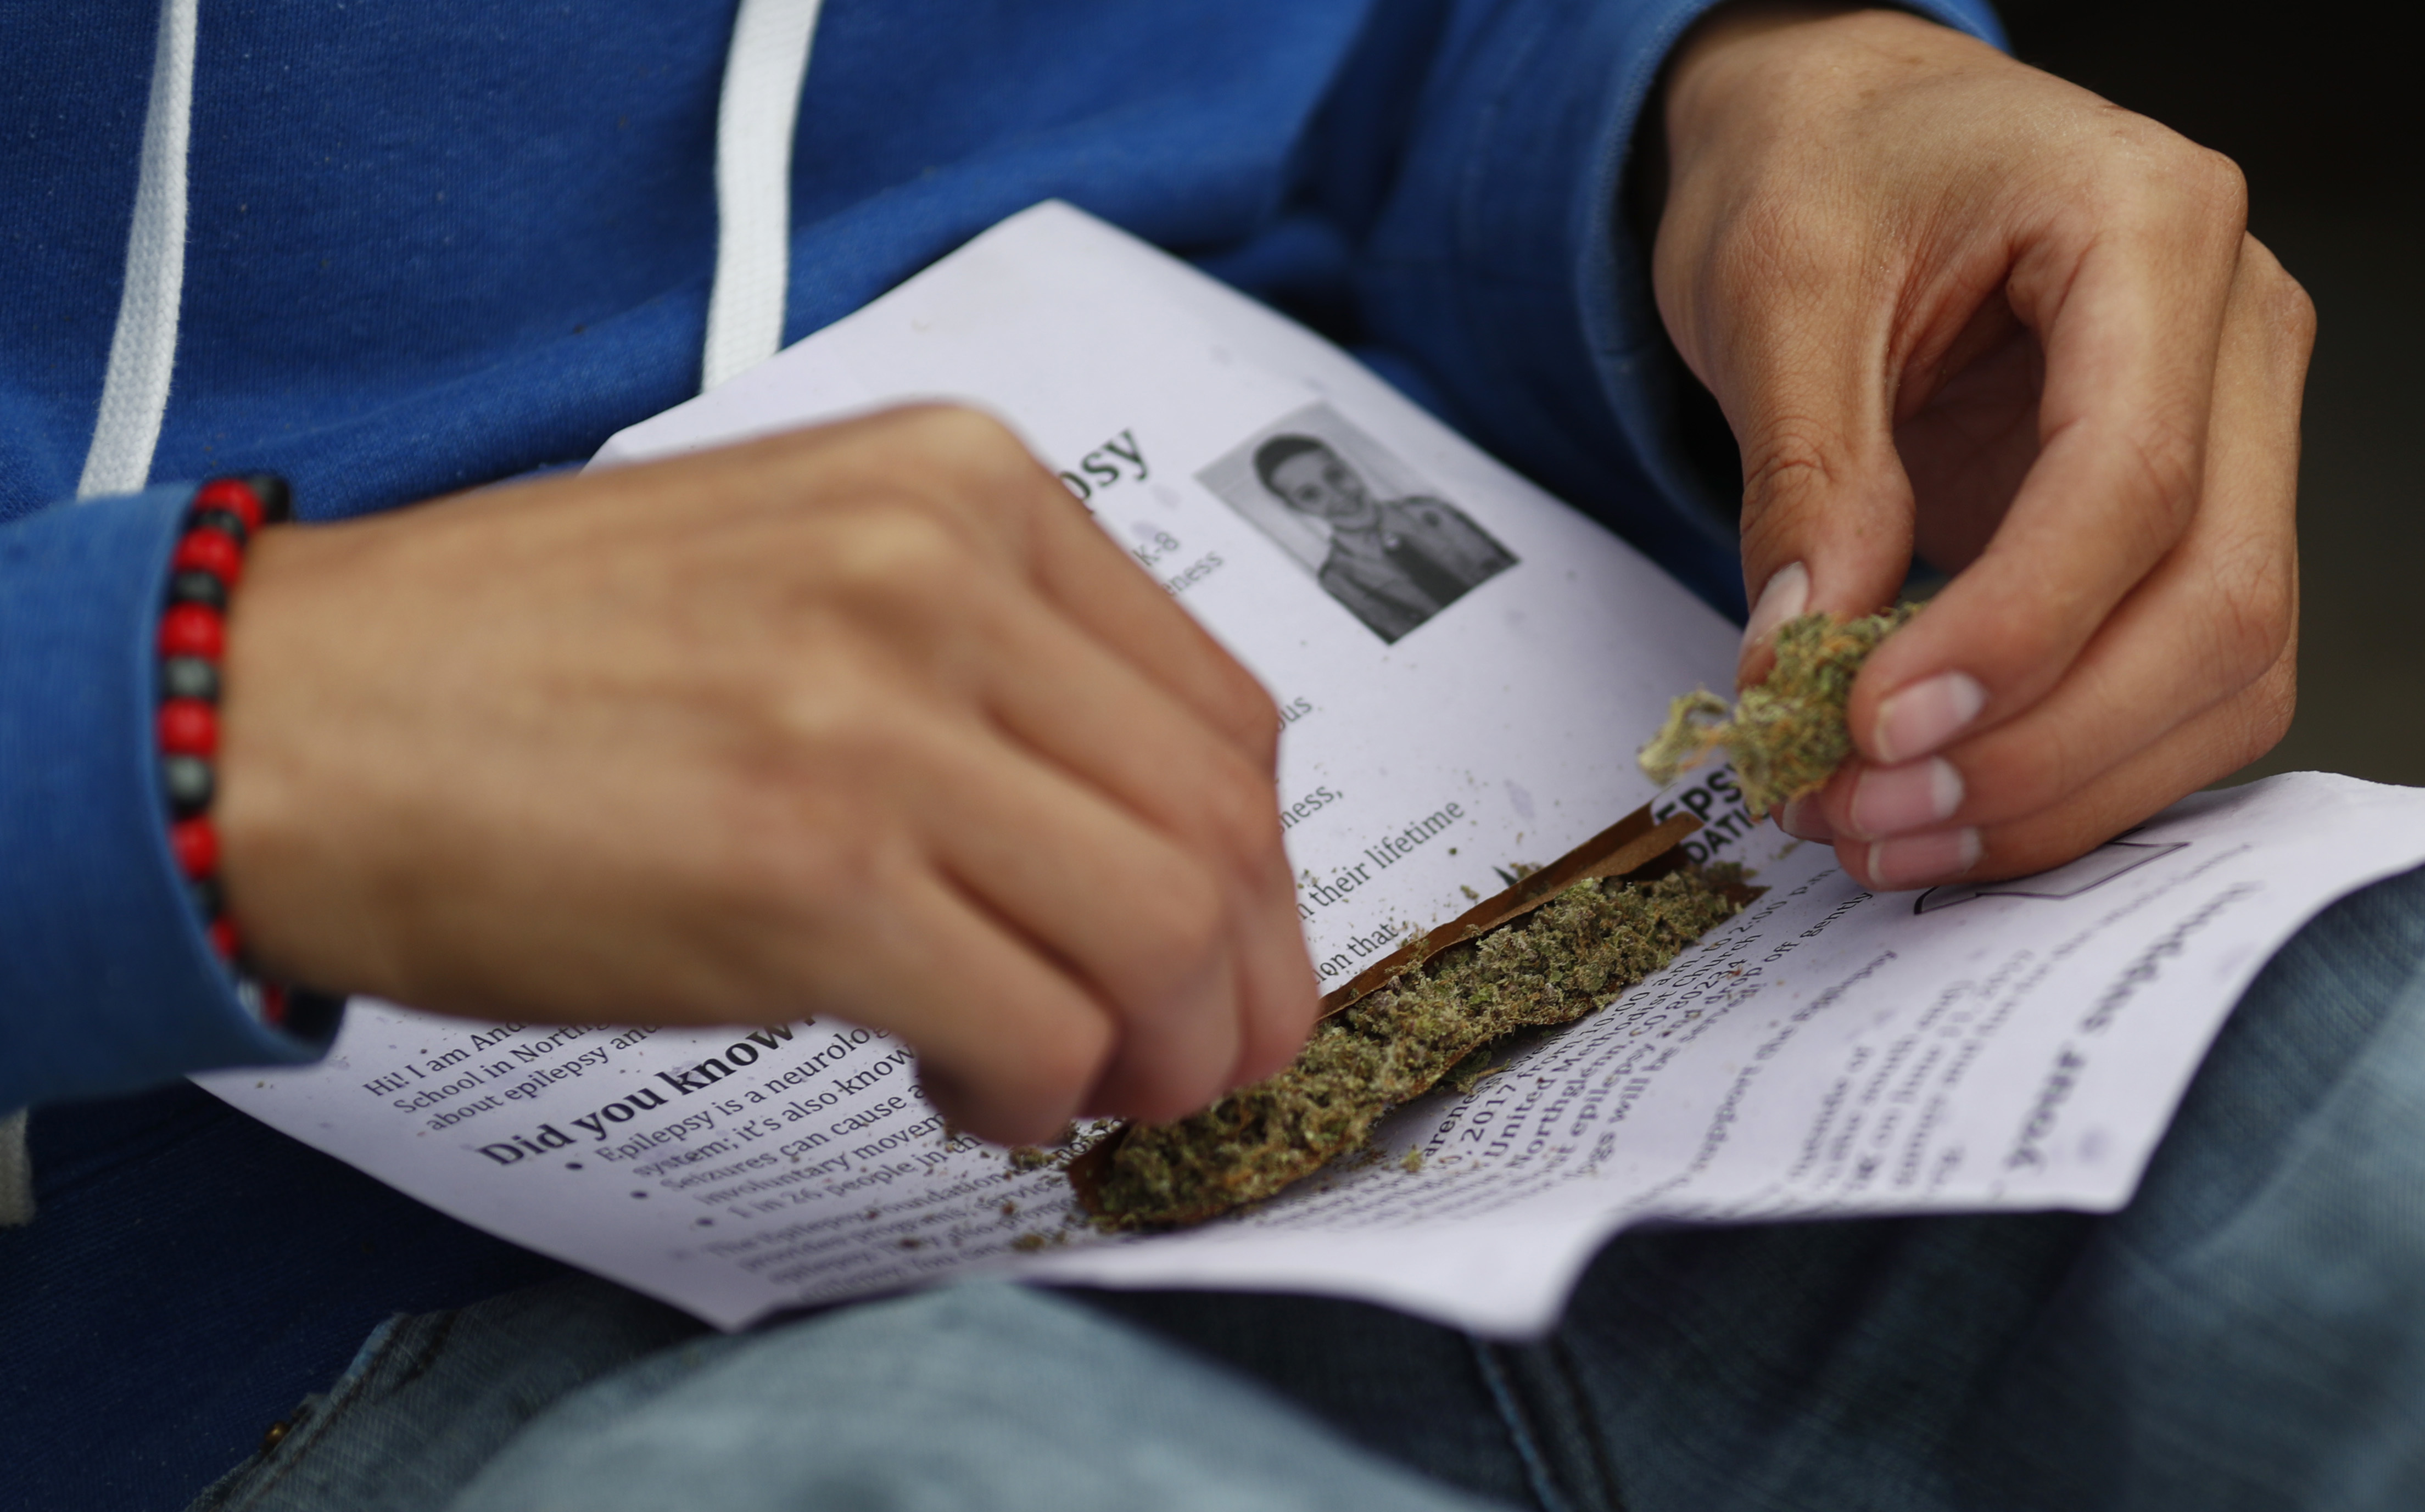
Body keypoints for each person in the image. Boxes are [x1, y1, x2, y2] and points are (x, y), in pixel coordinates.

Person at [6, 1, 2389, 1508]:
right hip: (255, 1327)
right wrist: (174, 731)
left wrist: (1726, 92)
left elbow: (1360, 64)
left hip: (1675, 943)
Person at [1253, 434, 1518, 642]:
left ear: (1349, 467)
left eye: (1335, 476)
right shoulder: (1340, 579)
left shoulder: (1431, 512)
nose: (1338, 496)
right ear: (1297, 509)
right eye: (1311, 495)